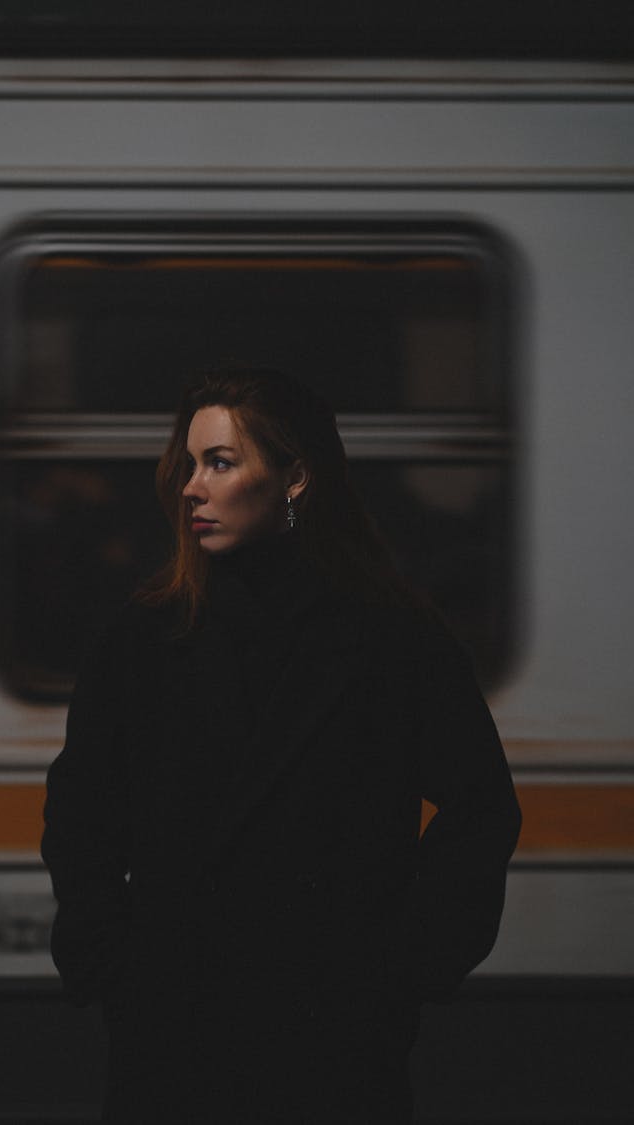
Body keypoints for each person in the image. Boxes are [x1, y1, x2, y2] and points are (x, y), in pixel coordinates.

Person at [42, 367, 521, 1124]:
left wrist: (405, 967)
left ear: (295, 476)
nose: (192, 487)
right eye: (189, 465)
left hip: (333, 1028)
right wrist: (110, 957)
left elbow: (480, 806)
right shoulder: (144, 637)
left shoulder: (394, 640)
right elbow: (80, 810)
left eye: (221, 463)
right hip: (175, 1024)